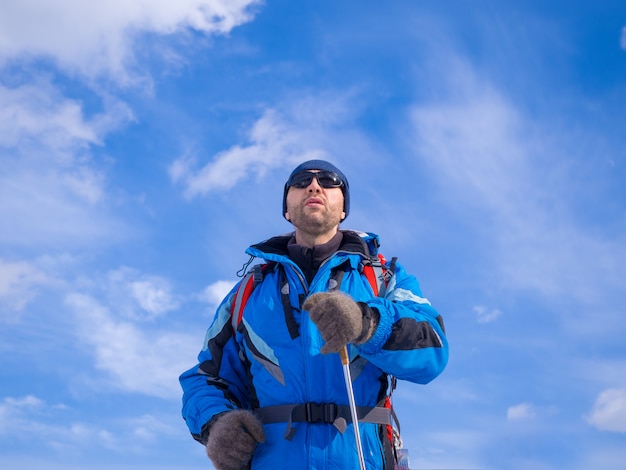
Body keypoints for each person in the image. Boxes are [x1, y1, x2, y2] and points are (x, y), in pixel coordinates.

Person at [180, 160, 449, 470]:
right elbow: (205, 377)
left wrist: (369, 323)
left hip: (363, 461)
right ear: (287, 209)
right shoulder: (247, 293)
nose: (314, 185)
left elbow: (434, 350)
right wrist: (217, 422)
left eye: (328, 180)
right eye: (301, 180)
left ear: (344, 208)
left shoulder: (384, 279)